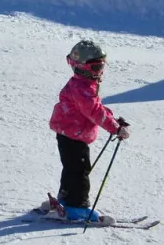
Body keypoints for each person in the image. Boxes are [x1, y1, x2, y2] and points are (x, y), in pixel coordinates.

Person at [46, 39, 130, 227]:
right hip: (72, 135)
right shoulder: (82, 88)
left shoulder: (84, 84)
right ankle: (76, 207)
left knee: (72, 169)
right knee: (79, 171)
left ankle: (66, 198)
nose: (101, 70)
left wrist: (114, 120)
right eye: (97, 66)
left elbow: (96, 108)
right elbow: (94, 111)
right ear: (83, 67)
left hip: (70, 134)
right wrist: (115, 128)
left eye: (102, 65)